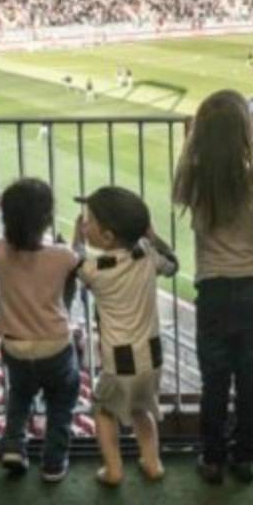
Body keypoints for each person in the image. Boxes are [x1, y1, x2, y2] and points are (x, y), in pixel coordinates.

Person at [173, 90, 253, 485]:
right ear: (245, 131)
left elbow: (182, 177)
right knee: (251, 379)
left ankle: (211, 457)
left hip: (214, 290)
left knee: (215, 379)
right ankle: (244, 457)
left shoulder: (194, 177)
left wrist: (190, 142)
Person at [0, 178, 80, 482]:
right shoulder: (63, 256)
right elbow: (71, 284)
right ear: (47, 217)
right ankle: (53, 464)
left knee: (20, 395)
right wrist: (77, 239)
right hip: (55, 345)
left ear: (6, 217)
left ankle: (14, 446)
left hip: (15, 345)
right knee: (61, 401)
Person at [72, 186, 178, 486]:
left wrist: (76, 240)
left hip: (119, 362)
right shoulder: (147, 256)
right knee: (142, 408)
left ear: (106, 238)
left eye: (88, 221)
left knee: (105, 411)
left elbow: (75, 260)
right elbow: (172, 263)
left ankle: (114, 469)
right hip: (152, 356)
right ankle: (152, 462)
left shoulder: (95, 269)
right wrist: (152, 237)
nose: (83, 224)